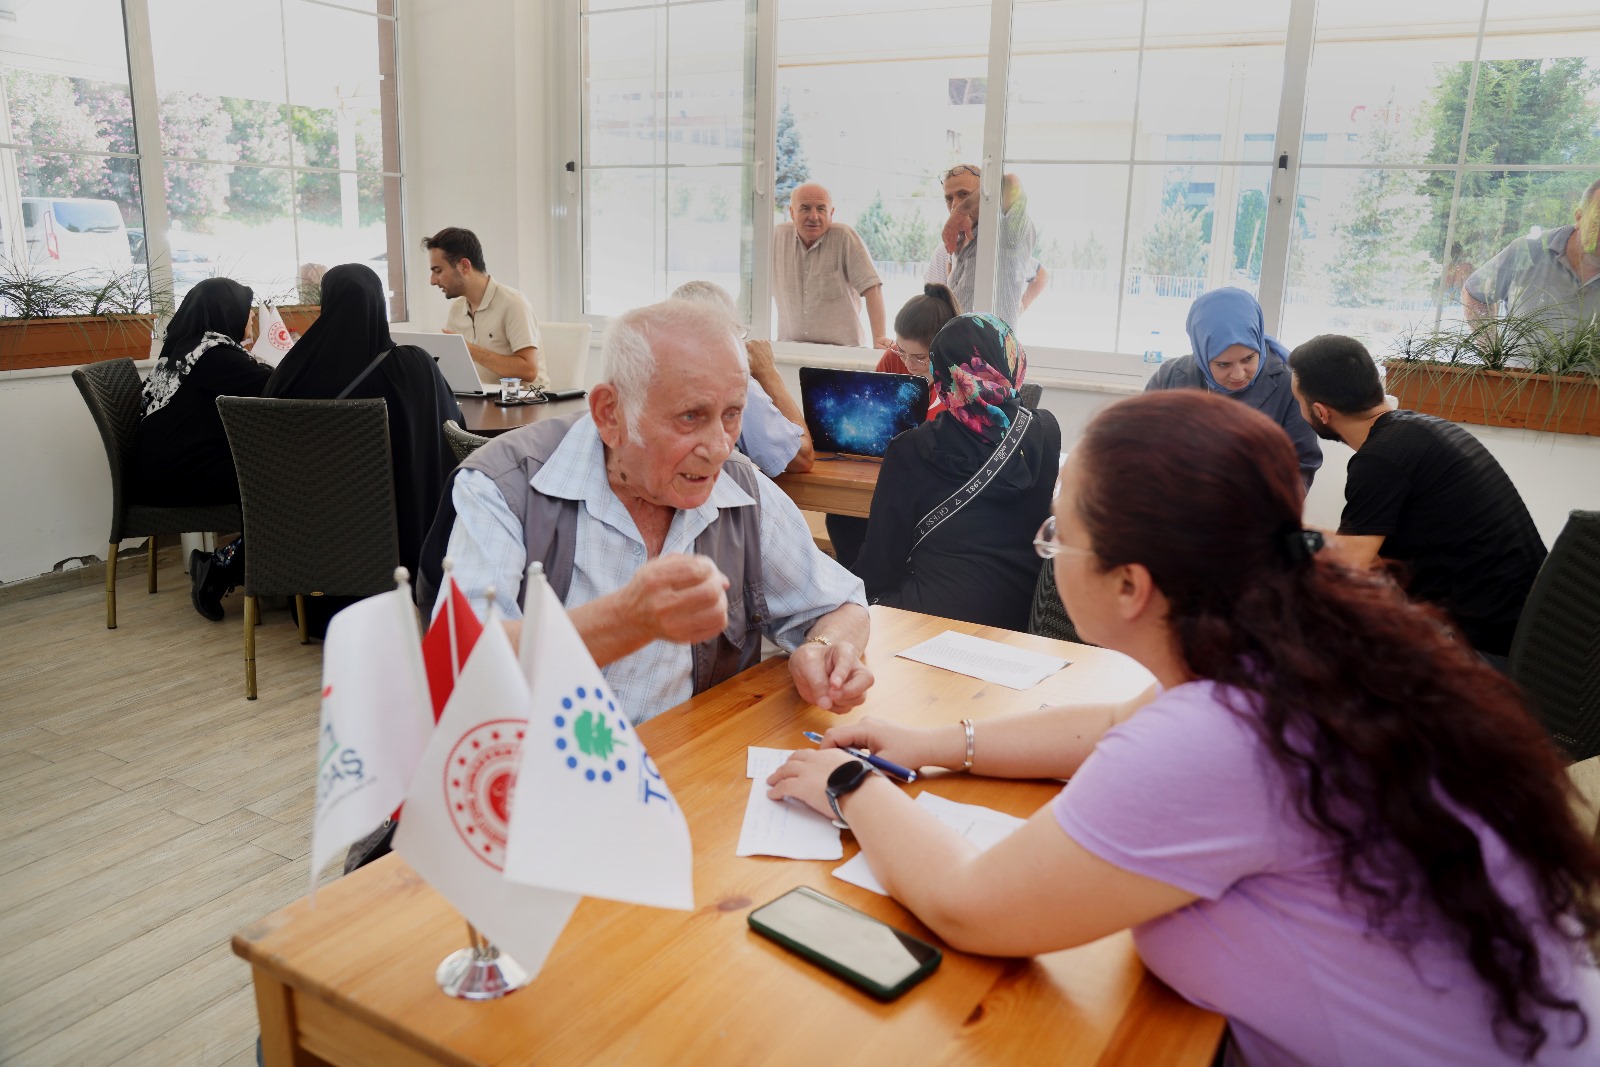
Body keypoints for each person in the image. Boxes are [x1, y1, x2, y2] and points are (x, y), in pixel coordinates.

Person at [767, 389, 1600, 1067]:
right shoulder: (1299, 649)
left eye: (1060, 533)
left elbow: (969, 905)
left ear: (1130, 584)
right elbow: (1111, 725)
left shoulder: (1225, 732)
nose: (1048, 548)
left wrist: (851, 785)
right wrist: (933, 743)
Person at [421, 299, 874, 724]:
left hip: (685, 760)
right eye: (690, 417)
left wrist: (822, 648)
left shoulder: (739, 488)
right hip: (541, 765)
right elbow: (461, 665)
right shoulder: (506, 487)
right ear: (610, 414)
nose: (719, 447)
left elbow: (843, 604)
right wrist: (627, 620)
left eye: (732, 414)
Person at [1288, 333, 1546, 660]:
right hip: (1535, 627)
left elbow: (1351, 566)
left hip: (1489, 644)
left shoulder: (1379, 460)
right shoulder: (1420, 430)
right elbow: (1369, 554)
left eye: (1298, 403)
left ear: (1321, 412)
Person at [266, 263, 463, 625]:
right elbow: (452, 431)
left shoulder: (293, 371)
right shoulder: (413, 366)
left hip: (317, 557)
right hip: (398, 548)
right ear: (379, 304)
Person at [852, 313, 1060, 630]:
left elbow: (881, 564)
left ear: (941, 375)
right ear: (1014, 361)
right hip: (1019, 619)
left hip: (927, 618)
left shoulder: (910, 449)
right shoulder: (1046, 431)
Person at [134, 277, 273, 621]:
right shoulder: (214, 356)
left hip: (158, 471)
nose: (251, 318)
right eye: (247, 311)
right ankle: (222, 568)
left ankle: (260, 571)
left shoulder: (187, 345)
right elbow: (276, 386)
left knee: (274, 474)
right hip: (178, 478)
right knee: (281, 484)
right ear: (227, 312)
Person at [825, 284, 965, 569]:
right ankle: (861, 586)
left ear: (943, 350)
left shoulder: (961, 381)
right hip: (887, 473)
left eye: (920, 357)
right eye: (901, 350)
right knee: (841, 516)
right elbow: (874, 418)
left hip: (935, 485)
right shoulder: (894, 360)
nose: (908, 363)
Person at [1144, 287, 1323, 487]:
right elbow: (1140, 445)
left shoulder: (1289, 386)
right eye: (1223, 364)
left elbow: (1301, 464)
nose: (1238, 374)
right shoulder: (1169, 379)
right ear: (1202, 354)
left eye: (1248, 359)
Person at [670, 280, 814, 475]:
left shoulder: (650, 377)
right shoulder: (731, 381)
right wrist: (768, 373)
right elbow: (800, 458)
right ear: (726, 331)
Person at [1463, 177, 1600, 333]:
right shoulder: (1528, 249)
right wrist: (1491, 345)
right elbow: (1475, 293)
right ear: (1579, 217)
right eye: (1598, 220)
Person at [423, 226, 546, 389]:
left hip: (524, 400)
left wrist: (469, 350)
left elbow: (529, 371)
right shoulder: (457, 309)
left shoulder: (513, 303)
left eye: (438, 270)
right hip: (480, 398)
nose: (432, 281)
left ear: (464, 266)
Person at [772, 183, 888, 348]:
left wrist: (879, 339)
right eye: (805, 208)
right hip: (790, 348)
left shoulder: (844, 237)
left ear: (831, 213)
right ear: (792, 212)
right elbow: (753, 284)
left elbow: (872, 288)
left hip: (842, 351)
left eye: (821, 209)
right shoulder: (776, 237)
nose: (814, 216)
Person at [942, 164, 1038, 330]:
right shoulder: (959, 240)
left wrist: (961, 211)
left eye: (964, 194)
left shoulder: (1005, 233)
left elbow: (1009, 181)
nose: (954, 204)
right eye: (949, 198)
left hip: (990, 345)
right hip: (957, 343)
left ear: (985, 192)